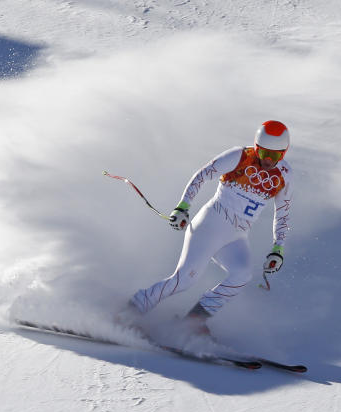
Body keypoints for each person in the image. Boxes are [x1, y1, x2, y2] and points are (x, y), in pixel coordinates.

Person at [124, 120, 293, 336]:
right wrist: (183, 207)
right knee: (184, 279)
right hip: (210, 225)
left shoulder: (284, 175)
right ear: (256, 147)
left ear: (284, 153)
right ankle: (131, 310)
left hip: (236, 236)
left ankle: (194, 321)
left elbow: (283, 212)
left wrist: (278, 248)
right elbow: (202, 175)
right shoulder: (239, 157)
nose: (269, 160)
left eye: (276, 156)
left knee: (242, 274)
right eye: (264, 153)